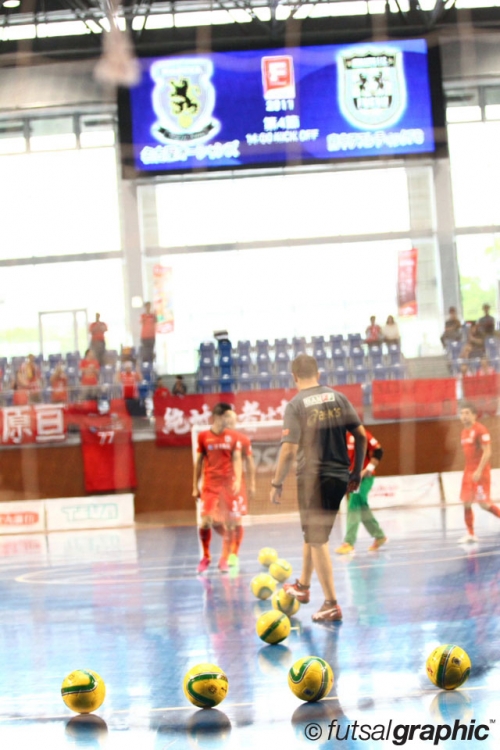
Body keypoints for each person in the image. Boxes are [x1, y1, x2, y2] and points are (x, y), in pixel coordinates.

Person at [270, 354, 367, 623]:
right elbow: (360, 436)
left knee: (316, 539)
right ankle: (302, 585)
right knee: (314, 532)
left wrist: (277, 483)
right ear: (318, 373)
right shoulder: (338, 397)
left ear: (294, 376)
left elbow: (288, 451)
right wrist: (356, 472)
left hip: (313, 478)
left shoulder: (296, 405)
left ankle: (331, 604)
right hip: (339, 476)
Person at [192, 402, 242, 574]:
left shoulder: (233, 437)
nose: (230, 419)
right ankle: (206, 557)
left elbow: (237, 459)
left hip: (228, 487)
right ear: (218, 417)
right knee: (206, 521)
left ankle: (224, 559)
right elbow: (199, 462)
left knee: (230, 525)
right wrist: (195, 486)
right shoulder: (203, 436)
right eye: (227, 416)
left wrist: (237, 481)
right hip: (210, 487)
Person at [335, 429, 387, 554]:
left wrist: (367, 470)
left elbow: (379, 451)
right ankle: (379, 535)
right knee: (361, 506)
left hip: (365, 478)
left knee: (354, 503)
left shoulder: (361, 433)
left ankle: (349, 542)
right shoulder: (340, 438)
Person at [458, 401, 500, 543]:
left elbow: (487, 452)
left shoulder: (481, 430)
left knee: (484, 504)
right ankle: (470, 534)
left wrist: (479, 470)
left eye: (467, 413)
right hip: (468, 472)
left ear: (474, 415)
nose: (464, 416)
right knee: (466, 502)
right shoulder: (464, 432)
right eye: (462, 413)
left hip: (480, 472)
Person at [223, 408, 257, 568]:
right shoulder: (215, 440)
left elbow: (250, 463)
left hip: (236, 486)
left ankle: (233, 554)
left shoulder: (242, 440)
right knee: (226, 523)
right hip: (220, 487)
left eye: (232, 419)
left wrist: (252, 484)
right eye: (226, 419)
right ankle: (228, 552)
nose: (229, 422)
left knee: (236, 521)